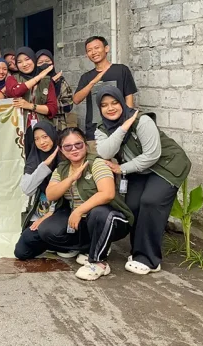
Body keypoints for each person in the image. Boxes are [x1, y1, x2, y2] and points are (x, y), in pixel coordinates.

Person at [94, 87, 191, 275]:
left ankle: (149, 259)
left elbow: (152, 155)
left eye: (114, 102)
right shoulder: (102, 129)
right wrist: (123, 128)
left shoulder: (142, 121)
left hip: (167, 166)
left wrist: (122, 168)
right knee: (132, 205)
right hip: (139, 169)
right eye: (104, 105)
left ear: (122, 102)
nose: (110, 108)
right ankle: (137, 251)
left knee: (151, 201)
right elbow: (105, 152)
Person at [15, 128, 133, 282]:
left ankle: (97, 262)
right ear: (62, 150)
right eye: (68, 147)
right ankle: (88, 247)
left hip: (111, 220)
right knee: (24, 248)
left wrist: (79, 211)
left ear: (85, 145)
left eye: (78, 144)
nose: (74, 149)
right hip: (78, 223)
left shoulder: (96, 163)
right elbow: (51, 194)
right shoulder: (62, 168)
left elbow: (107, 193)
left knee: (99, 214)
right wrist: (71, 179)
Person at [14, 122, 79, 259]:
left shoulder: (66, 156)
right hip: (42, 210)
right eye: (36, 139)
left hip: (64, 210)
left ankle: (73, 244)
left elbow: (67, 194)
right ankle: (54, 244)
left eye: (45, 137)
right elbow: (27, 189)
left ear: (53, 136)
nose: (41, 142)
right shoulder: (35, 158)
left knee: (47, 231)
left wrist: (49, 214)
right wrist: (44, 165)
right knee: (21, 251)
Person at [73, 36, 138, 142]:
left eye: (97, 48)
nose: (93, 52)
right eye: (89, 50)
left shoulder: (121, 70)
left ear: (106, 49)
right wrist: (93, 82)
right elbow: (76, 100)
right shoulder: (86, 77)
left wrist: (127, 123)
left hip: (120, 127)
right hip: (95, 129)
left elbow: (129, 98)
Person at [7, 48, 58, 154]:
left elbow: (52, 109)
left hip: (44, 129)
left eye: (27, 59)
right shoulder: (12, 79)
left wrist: (30, 106)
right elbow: (15, 92)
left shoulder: (47, 81)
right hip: (21, 130)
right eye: (19, 62)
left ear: (34, 60)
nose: (24, 64)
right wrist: (38, 77)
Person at [36, 50, 74, 130]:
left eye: (47, 61)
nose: (44, 64)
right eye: (40, 62)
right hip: (37, 124)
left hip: (58, 125)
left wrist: (48, 107)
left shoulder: (60, 81)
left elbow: (68, 105)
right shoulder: (32, 83)